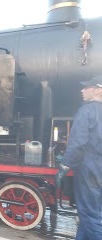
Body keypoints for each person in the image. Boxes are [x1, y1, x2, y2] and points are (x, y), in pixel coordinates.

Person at [55, 75, 102, 240]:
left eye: (86, 87)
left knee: (90, 215)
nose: (82, 90)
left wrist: (65, 165)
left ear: (97, 90)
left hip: (90, 167)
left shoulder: (87, 110)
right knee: (92, 213)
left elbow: (77, 144)